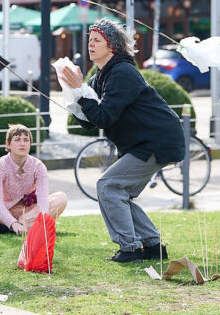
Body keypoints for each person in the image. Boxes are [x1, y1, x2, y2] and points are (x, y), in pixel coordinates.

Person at [59, 19, 184, 262]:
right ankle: (153, 246)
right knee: (118, 191)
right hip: (145, 142)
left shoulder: (122, 72)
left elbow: (104, 116)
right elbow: (90, 121)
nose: (91, 45)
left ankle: (130, 248)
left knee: (108, 186)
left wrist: (81, 91)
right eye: (90, 40)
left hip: (155, 141)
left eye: (97, 41)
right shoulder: (102, 74)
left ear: (112, 47)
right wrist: (74, 93)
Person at [0, 124, 68, 234]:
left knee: (61, 198)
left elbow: (43, 200)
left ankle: (8, 228)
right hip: (1, 210)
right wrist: (12, 222)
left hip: (28, 212)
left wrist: (41, 218)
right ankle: (16, 226)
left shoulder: (39, 166)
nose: (22, 143)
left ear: (30, 144)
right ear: (8, 145)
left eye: (26, 140)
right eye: (17, 140)